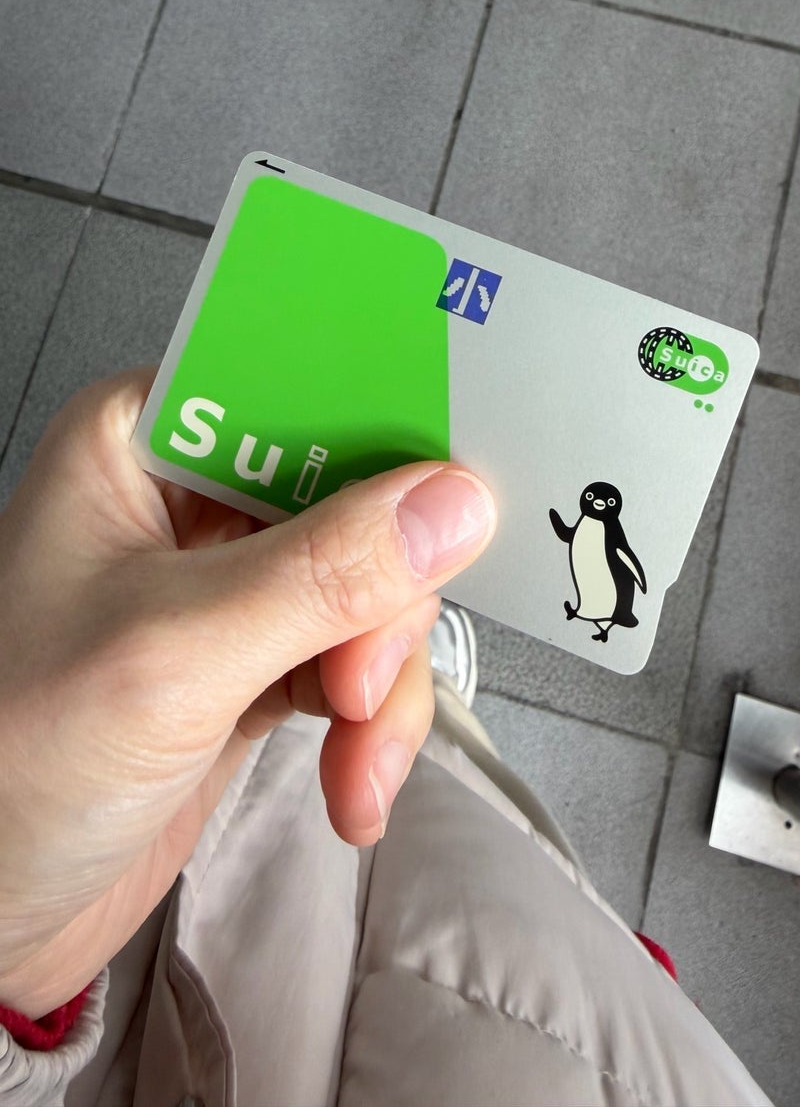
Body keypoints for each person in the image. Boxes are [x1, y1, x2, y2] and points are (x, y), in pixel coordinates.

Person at [0, 369, 771, 1107]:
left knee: (399, 752)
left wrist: (19, 963)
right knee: (439, 774)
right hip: (511, 992)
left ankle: (429, 695)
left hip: (147, 967)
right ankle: (439, 701)